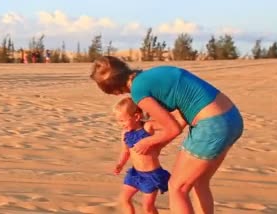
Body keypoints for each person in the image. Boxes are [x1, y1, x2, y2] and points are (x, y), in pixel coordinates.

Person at [90, 56, 244, 214]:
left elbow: (173, 129)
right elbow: (183, 115)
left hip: (211, 125)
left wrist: (149, 142)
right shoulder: (155, 74)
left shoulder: (138, 91)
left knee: (177, 187)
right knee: (199, 181)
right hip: (232, 118)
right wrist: (158, 142)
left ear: (115, 90)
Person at [112, 97, 174, 214]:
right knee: (124, 199)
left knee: (148, 208)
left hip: (151, 176)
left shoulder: (147, 127)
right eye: (118, 121)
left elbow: (169, 125)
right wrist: (120, 164)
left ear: (136, 117)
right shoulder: (125, 133)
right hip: (135, 174)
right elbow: (125, 151)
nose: (120, 124)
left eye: (122, 121)